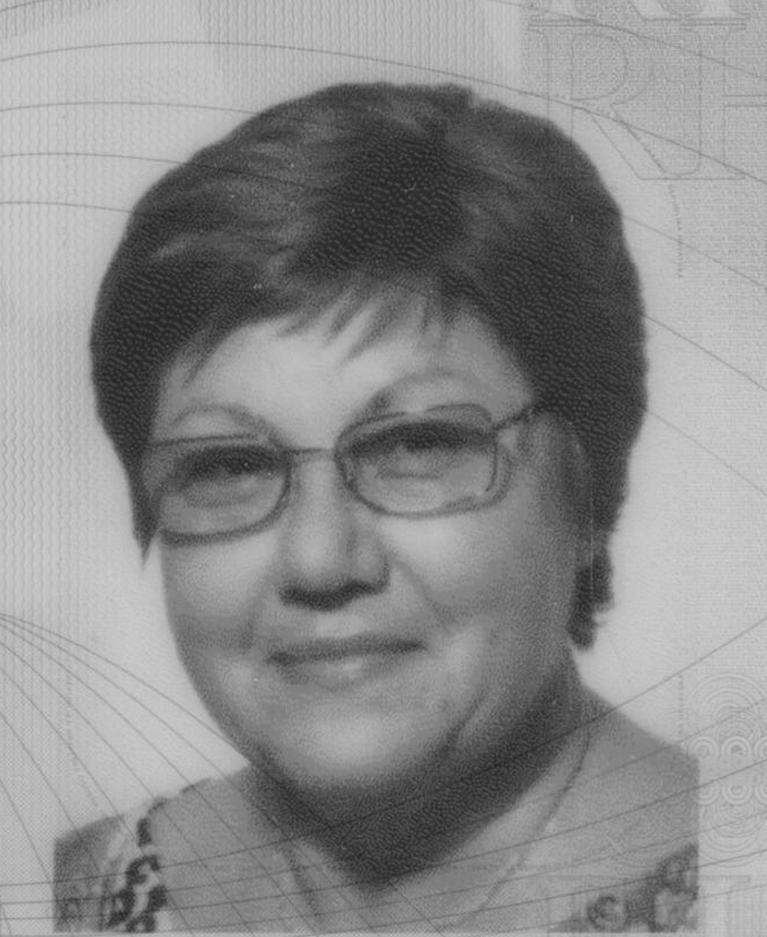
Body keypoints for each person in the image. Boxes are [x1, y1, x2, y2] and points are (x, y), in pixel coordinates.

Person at [54, 81, 697, 933]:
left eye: (417, 447)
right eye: (229, 464)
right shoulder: (75, 891)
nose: (320, 559)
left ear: (586, 492)